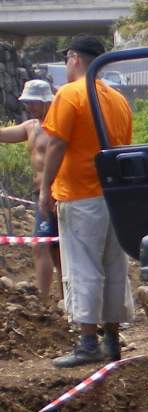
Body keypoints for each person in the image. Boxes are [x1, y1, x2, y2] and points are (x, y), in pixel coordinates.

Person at [38, 35, 135, 368]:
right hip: (113, 196)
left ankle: (88, 342)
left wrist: (45, 189)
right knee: (114, 267)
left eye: (66, 59)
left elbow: (56, 145)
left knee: (83, 268)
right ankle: (112, 340)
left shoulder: (70, 94)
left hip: (79, 195)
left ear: (74, 58)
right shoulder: (117, 99)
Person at [0, 79, 61, 302]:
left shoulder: (58, 127)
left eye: (34, 102)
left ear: (46, 101)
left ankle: (56, 300)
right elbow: (3, 134)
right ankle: (48, 301)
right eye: (27, 102)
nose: (30, 106)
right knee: (47, 247)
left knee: (52, 249)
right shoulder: (31, 127)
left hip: (59, 195)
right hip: (41, 197)